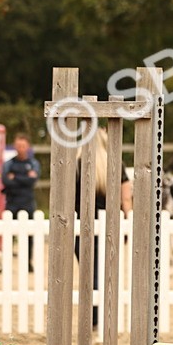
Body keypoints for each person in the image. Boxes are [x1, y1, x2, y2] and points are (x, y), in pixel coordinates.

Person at [76, 128, 132, 334]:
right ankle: (104, 317)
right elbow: (126, 198)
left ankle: (92, 318)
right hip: (110, 225)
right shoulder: (116, 164)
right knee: (106, 273)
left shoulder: (77, 164)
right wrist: (127, 219)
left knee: (87, 274)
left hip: (83, 226)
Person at [2, 132, 41, 269]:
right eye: (18, 145)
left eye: (23, 146)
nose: (21, 148)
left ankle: (28, 262)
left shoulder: (33, 163)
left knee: (29, 234)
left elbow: (32, 181)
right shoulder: (9, 163)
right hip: (12, 202)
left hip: (28, 203)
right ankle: (6, 263)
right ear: (15, 146)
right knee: (9, 234)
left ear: (28, 147)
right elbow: (5, 181)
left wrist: (15, 177)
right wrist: (25, 177)